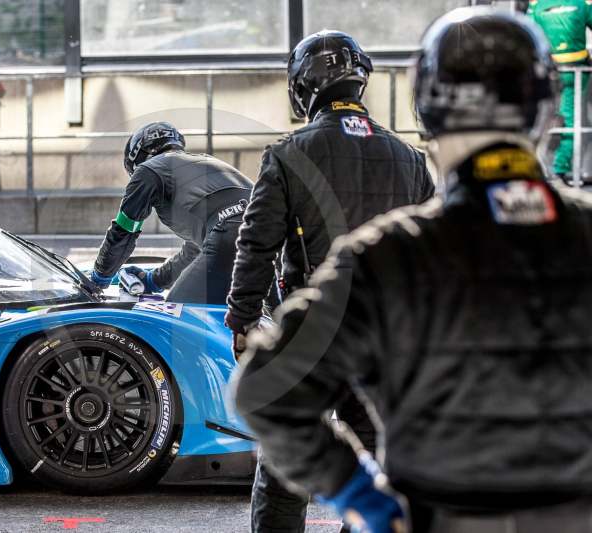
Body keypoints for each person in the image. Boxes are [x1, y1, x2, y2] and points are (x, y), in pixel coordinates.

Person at [236, 7, 592, 533]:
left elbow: (265, 390)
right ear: (545, 110)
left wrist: (366, 501)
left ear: (428, 109)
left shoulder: (386, 255)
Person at [225, 30, 434, 533]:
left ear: (302, 87)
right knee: (377, 468)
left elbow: (256, 246)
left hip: (308, 337)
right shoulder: (411, 160)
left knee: (283, 469)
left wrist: (242, 317)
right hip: (385, 342)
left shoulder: (288, 154)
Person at [90, 121, 253, 304]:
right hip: (273, 233)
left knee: (178, 314)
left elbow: (124, 231)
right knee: (273, 320)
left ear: (136, 155)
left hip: (231, 235)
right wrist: (155, 280)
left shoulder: (149, 169)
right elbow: (196, 249)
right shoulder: (205, 162)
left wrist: (98, 279)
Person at [527, 0, 592, 181]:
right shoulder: (582, 4)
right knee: (571, 120)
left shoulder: (537, 6)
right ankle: (559, 169)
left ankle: (541, 168)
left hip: (549, 73)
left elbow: (527, 34)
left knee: (545, 119)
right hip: (575, 70)